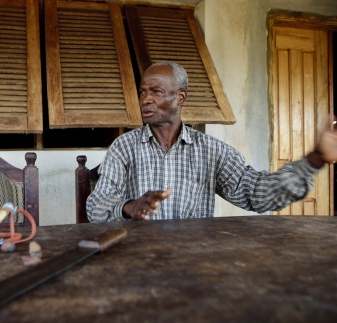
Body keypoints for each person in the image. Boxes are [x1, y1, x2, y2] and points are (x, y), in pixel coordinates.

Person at [86, 61, 337, 222]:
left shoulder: (212, 151)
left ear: (180, 97)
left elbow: (258, 194)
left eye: (156, 91)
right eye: (142, 91)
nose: (145, 100)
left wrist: (314, 159)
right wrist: (131, 206)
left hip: (193, 261)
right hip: (135, 258)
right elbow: (96, 206)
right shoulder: (124, 147)